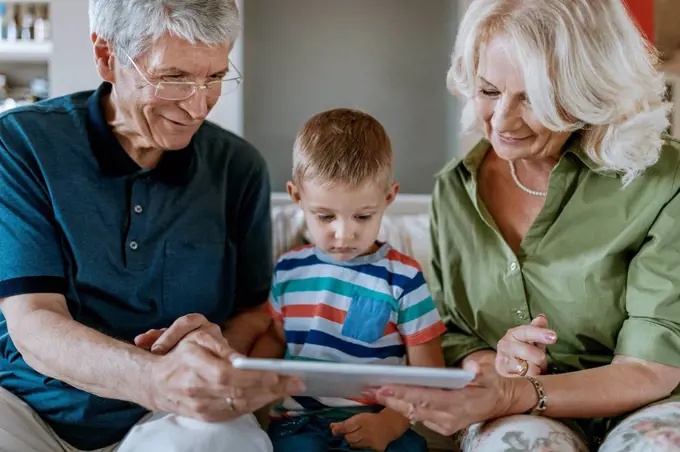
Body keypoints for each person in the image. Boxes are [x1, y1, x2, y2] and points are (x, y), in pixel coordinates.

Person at [370, 0, 680, 451]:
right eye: (489, 90)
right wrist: (495, 363)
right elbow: (454, 334)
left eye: (533, 97)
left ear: (589, 92)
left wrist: (520, 392)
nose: (501, 121)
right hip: (511, 407)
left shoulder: (663, 179)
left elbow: (654, 366)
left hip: (648, 403)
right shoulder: (456, 190)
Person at [0, 1, 302, 451]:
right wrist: (156, 377)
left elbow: (253, 311)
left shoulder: (240, 168)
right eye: (175, 77)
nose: (199, 106)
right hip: (27, 408)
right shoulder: (22, 144)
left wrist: (217, 346)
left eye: (216, 77)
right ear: (106, 56)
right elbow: (35, 322)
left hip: (170, 414)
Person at [252, 108, 447, 452]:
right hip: (299, 424)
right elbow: (275, 338)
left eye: (363, 215)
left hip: (383, 420)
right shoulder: (288, 270)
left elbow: (429, 375)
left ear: (389, 197)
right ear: (297, 196)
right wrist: (249, 384)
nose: (344, 233)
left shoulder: (403, 278)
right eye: (325, 216)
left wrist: (390, 424)